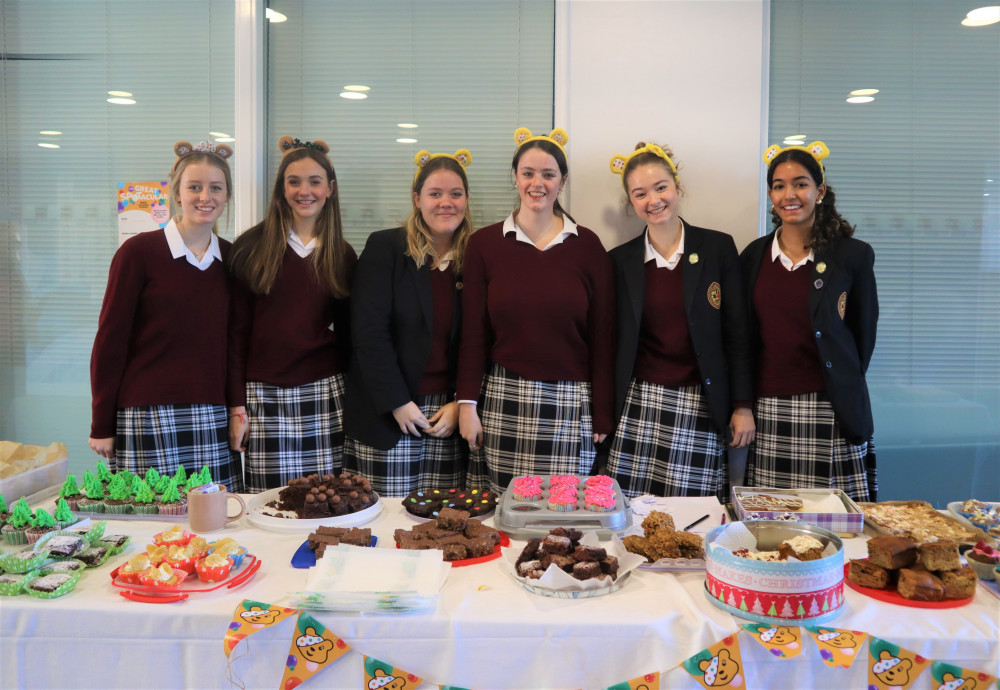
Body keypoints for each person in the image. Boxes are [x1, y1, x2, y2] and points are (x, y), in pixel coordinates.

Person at [457, 127, 615, 492]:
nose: (537, 183)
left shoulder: (588, 246)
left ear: (563, 180)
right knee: (505, 510)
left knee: (563, 512)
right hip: (504, 399)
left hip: (571, 402)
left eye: (548, 174)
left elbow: (604, 336)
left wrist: (602, 412)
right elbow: (473, 333)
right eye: (528, 173)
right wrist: (467, 403)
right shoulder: (484, 245)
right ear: (515, 177)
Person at [606, 142, 755, 500]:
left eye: (660, 188)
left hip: (699, 402)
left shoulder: (718, 249)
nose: (653, 200)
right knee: (630, 514)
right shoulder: (619, 262)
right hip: (638, 403)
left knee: (692, 519)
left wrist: (742, 405)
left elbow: (738, 334)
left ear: (677, 187)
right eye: (639, 193)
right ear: (631, 202)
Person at [89, 140, 241, 490]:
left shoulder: (233, 260)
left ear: (227, 195)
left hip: (210, 415)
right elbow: (110, 341)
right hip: (146, 413)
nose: (206, 196)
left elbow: (234, 344)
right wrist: (102, 424)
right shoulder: (138, 253)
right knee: (151, 521)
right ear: (176, 194)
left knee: (214, 525)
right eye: (195, 187)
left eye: (216, 187)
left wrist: (236, 409)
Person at [740, 141, 878, 501]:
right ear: (770, 194)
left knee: (841, 530)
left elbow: (862, 337)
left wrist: (839, 380)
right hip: (770, 408)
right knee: (774, 527)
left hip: (832, 406)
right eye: (779, 185)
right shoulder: (753, 257)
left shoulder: (852, 255)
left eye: (800, 183)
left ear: (820, 191)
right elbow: (743, 339)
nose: (790, 194)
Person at [227, 136, 356, 492]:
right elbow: (235, 336)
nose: (305, 191)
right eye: (294, 181)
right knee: (269, 504)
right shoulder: (250, 248)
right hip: (263, 397)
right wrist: (236, 406)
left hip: (324, 393)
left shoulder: (341, 254)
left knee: (325, 502)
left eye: (315, 181)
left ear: (329, 188)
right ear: (281, 188)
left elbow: (349, 338)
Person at [343, 150, 474, 496]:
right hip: (390, 413)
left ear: (466, 199)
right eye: (435, 194)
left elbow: (479, 338)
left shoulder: (477, 255)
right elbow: (368, 333)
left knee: (441, 527)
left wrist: (461, 401)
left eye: (455, 194)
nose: (446, 203)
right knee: (387, 525)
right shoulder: (386, 247)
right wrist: (397, 402)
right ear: (417, 199)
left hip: (449, 417)